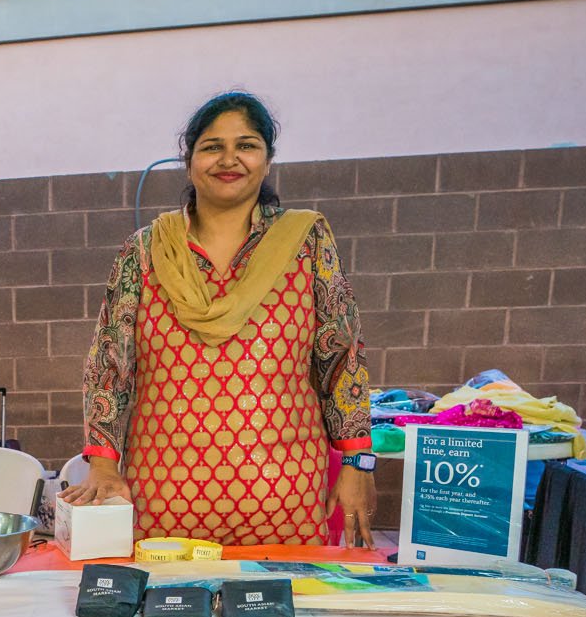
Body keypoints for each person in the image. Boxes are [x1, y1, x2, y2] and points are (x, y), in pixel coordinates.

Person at [62, 91, 376, 545]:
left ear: (267, 161)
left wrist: (356, 464)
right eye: (212, 147)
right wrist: (104, 467)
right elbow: (110, 364)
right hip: (165, 496)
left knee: (279, 614)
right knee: (169, 610)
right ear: (189, 163)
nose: (230, 159)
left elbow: (342, 359)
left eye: (246, 145)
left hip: (284, 499)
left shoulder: (306, 240)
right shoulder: (146, 250)